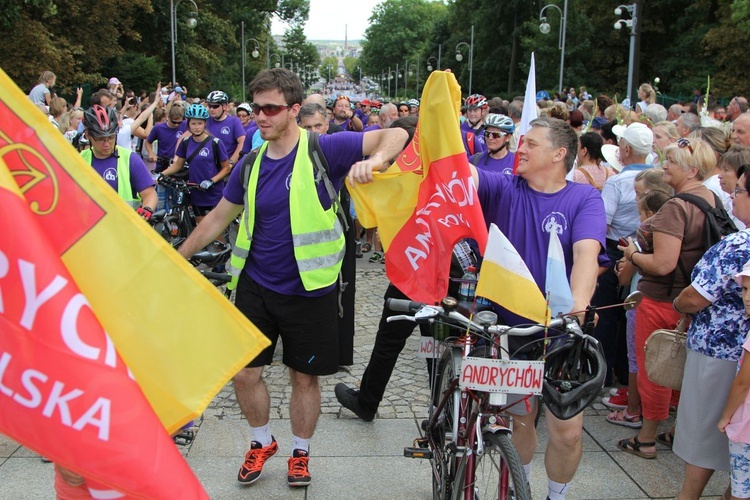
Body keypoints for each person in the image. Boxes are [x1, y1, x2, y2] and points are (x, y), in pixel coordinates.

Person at [347, 116, 606, 500]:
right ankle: (522, 487)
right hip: (505, 328)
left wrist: (579, 307)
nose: (521, 148)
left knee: (566, 431)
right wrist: (423, 133)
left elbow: (587, 254)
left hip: (560, 331)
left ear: (559, 153)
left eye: (531, 144)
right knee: (520, 421)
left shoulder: (584, 198)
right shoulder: (504, 186)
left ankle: (557, 495)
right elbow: (455, 168)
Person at [176, 68, 408, 488]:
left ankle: (301, 453)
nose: (261, 116)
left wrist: (374, 161)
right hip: (254, 286)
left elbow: (396, 136)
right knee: (245, 373)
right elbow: (217, 218)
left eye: (270, 108)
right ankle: (261, 442)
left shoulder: (324, 148)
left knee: (304, 377)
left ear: (294, 110)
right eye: (257, 108)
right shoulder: (250, 164)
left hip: (310, 289)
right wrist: (177, 256)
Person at [617, 137, 718, 460]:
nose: (664, 166)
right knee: (681, 370)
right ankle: (675, 431)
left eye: (670, 162)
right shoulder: (711, 199)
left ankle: (645, 439)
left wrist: (633, 255)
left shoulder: (676, 206)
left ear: (690, 170)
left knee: (655, 371)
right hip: (692, 299)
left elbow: (662, 263)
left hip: (661, 299)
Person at [670, 168, 750, 500]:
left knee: (702, 438)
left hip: (719, 355)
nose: (733, 195)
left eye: (742, 190)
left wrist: (677, 303)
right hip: (740, 354)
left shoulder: (737, 244)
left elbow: (695, 296)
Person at [80, 105, 157, 216]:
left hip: (123, 228)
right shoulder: (80, 158)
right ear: (88, 135)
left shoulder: (130, 159)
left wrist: (147, 210)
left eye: (111, 137)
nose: (106, 144)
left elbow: (149, 193)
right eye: (100, 139)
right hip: (90, 228)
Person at [160, 103, 231, 223]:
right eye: (193, 123)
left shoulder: (215, 143)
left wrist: (211, 181)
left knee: (214, 231)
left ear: (205, 124)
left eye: (200, 123)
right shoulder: (186, 142)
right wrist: (161, 174)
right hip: (196, 192)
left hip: (213, 192)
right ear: (188, 125)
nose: (196, 127)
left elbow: (226, 168)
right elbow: (178, 165)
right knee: (200, 227)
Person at [719, 258, 750, 500]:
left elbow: (742, 382)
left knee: (741, 487)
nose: (747, 297)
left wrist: (726, 416)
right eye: (746, 289)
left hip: (745, 423)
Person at [205, 90, 245, 168]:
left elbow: (242, 143)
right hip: (208, 166)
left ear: (224, 106)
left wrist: (231, 163)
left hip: (225, 168)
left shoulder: (234, 121)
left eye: (215, 106)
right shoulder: (205, 120)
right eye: (210, 106)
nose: (211, 109)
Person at [144, 103, 187, 172]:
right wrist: (151, 153)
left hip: (178, 163)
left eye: (179, 122)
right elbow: (148, 142)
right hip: (162, 163)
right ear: (168, 117)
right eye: (174, 122)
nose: (176, 125)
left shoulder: (185, 125)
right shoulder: (158, 128)